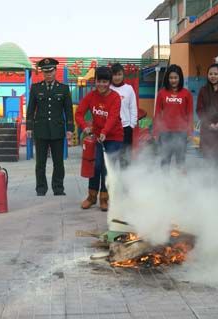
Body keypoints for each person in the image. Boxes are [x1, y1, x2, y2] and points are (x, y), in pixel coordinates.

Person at [75, 66, 123, 211]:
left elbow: (113, 117)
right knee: (95, 165)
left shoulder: (115, 97)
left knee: (106, 168)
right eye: (98, 81)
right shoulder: (91, 96)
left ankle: (104, 198)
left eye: (104, 81)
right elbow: (79, 113)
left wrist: (105, 132)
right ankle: (91, 197)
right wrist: (85, 127)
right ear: (94, 81)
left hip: (114, 137)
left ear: (109, 82)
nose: (101, 84)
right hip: (97, 137)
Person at [26, 58, 74, 196]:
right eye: (45, 71)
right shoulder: (36, 88)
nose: (48, 74)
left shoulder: (64, 89)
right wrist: (29, 127)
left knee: (58, 163)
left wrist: (70, 129)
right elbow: (30, 109)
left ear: (55, 71)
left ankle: (58, 188)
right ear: (42, 73)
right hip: (40, 130)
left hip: (57, 131)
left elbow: (68, 110)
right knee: (40, 164)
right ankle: (41, 189)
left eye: (51, 71)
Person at [153, 64, 193, 167]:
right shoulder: (162, 93)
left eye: (175, 77)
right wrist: (156, 132)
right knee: (165, 160)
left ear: (180, 78)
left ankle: (178, 182)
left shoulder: (186, 94)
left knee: (180, 161)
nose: (173, 80)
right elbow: (157, 113)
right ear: (167, 78)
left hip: (181, 133)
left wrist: (189, 132)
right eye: (171, 78)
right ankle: (165, 182)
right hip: (165, 133)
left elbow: (190, 114)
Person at [110, 63, 137, 167]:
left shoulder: (129, 89)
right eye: (114, 74)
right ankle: (110, 182)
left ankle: (125, 182)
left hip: (125, 128)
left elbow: (133, 108)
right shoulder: (108, 88)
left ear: (123, 75)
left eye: (119, 74)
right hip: (110, 130)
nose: (117, 77)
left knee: (125, 159)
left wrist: (131, 125)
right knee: (111, 158)